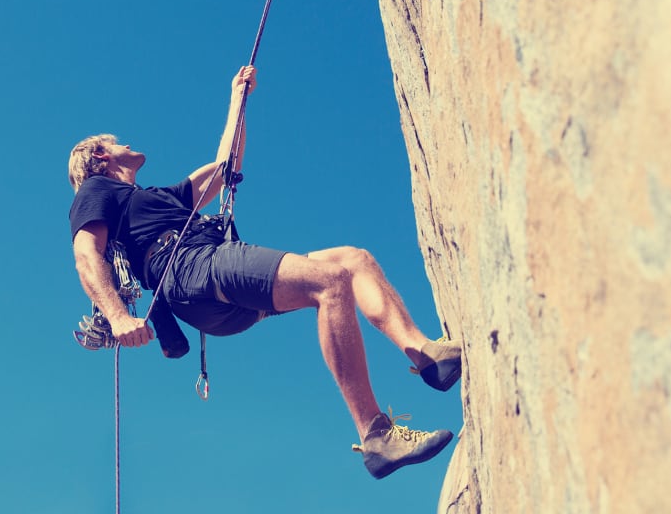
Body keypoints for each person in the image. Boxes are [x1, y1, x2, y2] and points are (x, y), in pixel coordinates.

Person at [68, 66, 463, 479]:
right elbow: (86, 254)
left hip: (216, 281)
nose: (126, 143)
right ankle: (375, 434)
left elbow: (224, 168)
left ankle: (426, 356)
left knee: (351, 260)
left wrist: (238, 99)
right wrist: (116, 316)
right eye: (116, 143)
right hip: (194, 270)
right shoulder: (97, 192)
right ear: (100, 156)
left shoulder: (153, 198)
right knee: (330, 283)